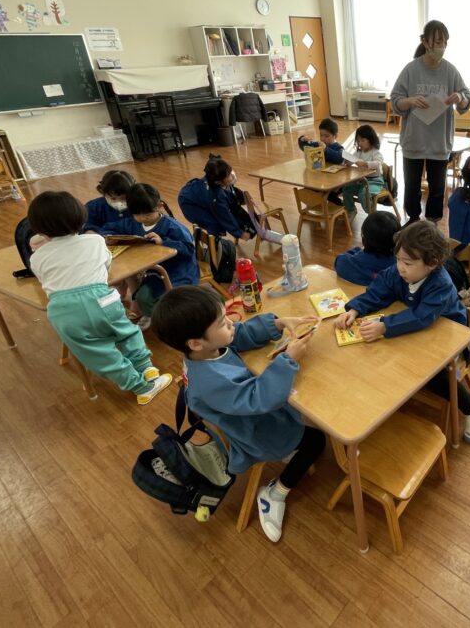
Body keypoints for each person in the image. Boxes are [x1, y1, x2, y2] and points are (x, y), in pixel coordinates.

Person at [152, 286, 323, 543]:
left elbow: (238, 335)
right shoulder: (210, 380)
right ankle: (274, 493)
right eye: (222, 322)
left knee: (307, 413)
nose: (231, 323)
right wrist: (288, 361)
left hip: (253, 417)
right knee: (317, 441)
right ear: (196, 342)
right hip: (258, 433)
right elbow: (258, 398)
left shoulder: (206, 349)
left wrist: (277, 324)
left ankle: (288, 455)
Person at [334, 221, 470, 443]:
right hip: (417, 329)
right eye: (397, 260)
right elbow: (380, 289)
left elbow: (422, 316)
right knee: (386, 356)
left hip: (451, 333)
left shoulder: (441, 284)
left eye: (407, 262)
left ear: (432, 263)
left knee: (434, 376)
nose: (400, 267)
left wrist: (385, 326)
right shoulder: (400, 271)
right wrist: (356, 309)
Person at [27, 190, 172, 405]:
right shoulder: (94, 241)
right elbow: (105, 267)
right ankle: (146, 368)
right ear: (80, 217)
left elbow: (46, 278)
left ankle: (140, 388)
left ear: (39, 229)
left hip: (63, 311)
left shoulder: (37, 256)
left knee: (100, 355)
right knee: (127, 332)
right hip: (101, 300)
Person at [390, 20, 470, 223]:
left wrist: (460, 98)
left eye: (444, 42)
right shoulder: (411, 70)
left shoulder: (450, 71)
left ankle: (433, 222)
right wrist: (409, 100)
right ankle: (413, 220)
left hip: (439, 142)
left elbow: (466, 100)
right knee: (412, 185)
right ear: (425, 42)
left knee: (437, 188)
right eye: (437, 41)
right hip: (414, 141)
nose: (441, 46)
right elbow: (395, 101)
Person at [103, 183, 199, 323]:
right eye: (137, 214)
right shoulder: (132, 224)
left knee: (166, 301)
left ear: (159, 206)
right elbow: (107, 229)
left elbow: (189, 249)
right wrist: (108, 238)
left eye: (148, 213)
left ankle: (170, 319)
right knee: (143, 297)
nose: (143, 218)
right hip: (155, 273)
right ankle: (157, 318)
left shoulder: (172, 226)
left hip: (180, 272)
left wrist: (164, 242)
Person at [177, 155, 256, 255]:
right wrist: (239, 233)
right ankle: (214, 250)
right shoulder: (216, 196)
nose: (232, 175)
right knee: (214, 223)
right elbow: (224, 216)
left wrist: (241, 199)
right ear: (218, 182)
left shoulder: (216, 177)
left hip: (198, 193)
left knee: (226, 204)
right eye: (228, 176)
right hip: (189, 203)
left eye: (230, 170)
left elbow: (230, 191)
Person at [334, 211, 401, 286]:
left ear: (364, 237)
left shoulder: (348, 263)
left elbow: (339, 260)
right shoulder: (400, 266)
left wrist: (357, 250)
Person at [340, 124, 385, 218]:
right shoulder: (358, 153)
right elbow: (352, 160)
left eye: (363, 140)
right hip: (361, 181)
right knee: (346, 188)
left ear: (371, 140)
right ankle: (351, 210)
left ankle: (372, 215)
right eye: (358, 141)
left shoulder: (375, 152)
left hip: (375, 181)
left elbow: (378, 164)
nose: (360, 143)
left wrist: (365, 164)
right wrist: (347, 162)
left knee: (364, 193)